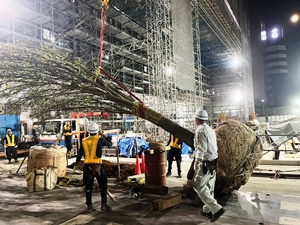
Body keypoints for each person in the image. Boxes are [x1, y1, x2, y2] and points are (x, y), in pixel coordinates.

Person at [191, 109, 225, 222]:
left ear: (197, 119)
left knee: (198, 186)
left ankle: (216, 209)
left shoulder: (200, 130)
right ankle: (207, 209)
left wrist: (197, 162)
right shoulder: (210, 129)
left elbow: (201, 149)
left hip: (205, 163)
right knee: (209, 186)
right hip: (213, 162)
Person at [75, 122, 112, 212]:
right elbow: (110, 144)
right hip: (98, 166)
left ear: (88, 131)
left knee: (88, 187)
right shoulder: (100, 140)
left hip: (87, 167)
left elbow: (80, 153)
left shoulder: (84, 141)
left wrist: (77, 164)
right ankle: (103, 205)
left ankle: (89, 206)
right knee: (103, 186)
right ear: (97, 131)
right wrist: (104, 135)